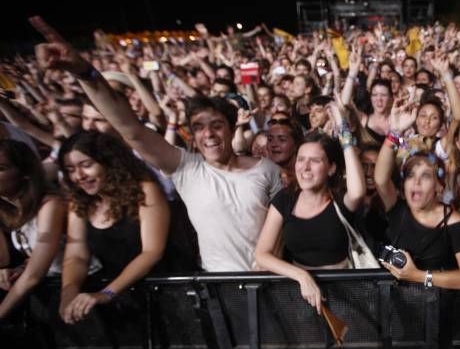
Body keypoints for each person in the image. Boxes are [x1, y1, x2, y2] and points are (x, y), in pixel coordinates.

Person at [30, 17, 283, 272]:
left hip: (269, 281)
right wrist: (83, 71)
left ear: (230, 128)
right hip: (216, 287)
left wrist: (271, 267)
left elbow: (282, 226)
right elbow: (132, 130)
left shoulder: (267, 170)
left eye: (216, 125)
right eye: (198, 127)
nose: (208, 134)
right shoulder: (187, 168)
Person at [57, 132, 178, 324]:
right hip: (123, 300)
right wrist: (68, 295)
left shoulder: (145, 190)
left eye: (86, 165)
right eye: (70, 169)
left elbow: (152, 252)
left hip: (170, 296)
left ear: (109, 162)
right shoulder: (78, 201)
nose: (78, 176)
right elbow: (76, 256)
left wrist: (106, 293)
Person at [254, 104, 366, 313]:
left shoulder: (340, 200)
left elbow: (358, 192)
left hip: (346, 296)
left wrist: (343, 129)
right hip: (299, 297)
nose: (305, 167)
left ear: (331, 168)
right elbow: (262, 254)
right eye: (301, 159)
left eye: (315, 161)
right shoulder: (285, 199)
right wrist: (301, 275)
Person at [373, 99, 460, 290]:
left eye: (425, 176)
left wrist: (417, 276)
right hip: (396, 308)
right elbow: (381, 179)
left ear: (439, 187)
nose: (416, 182)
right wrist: (394, 134)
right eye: (411, 176)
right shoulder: (398, 209)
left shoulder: (452, 220)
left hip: (438, 310)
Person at [0, 140, 65, 320]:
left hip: (79, 291)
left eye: (1, 168)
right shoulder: (10, 209)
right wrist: (17, 269)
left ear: (25, 173)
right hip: (47, 297)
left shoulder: (50, 205)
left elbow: (35, 275)